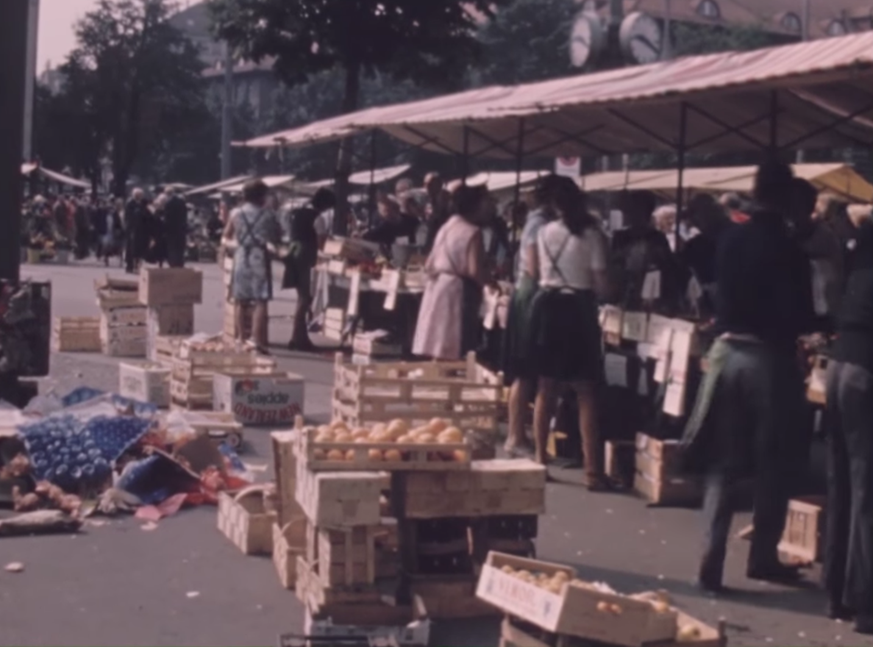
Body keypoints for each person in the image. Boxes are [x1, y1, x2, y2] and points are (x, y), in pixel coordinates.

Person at [681, 160, 816, 593]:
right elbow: (799, 314)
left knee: (723, 460)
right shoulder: (789, 249)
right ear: (786, 197)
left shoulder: (731, 239)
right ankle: (761, 557)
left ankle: (710, 554)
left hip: (724, 353)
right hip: (767, 358)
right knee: (773, 460)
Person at [528, 179, 610, 491]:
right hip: (578, 309)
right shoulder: (592, 234)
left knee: (546, 387)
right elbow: (601, 282)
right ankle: (592, 470)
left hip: (548, 309)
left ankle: (539, 459)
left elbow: (535, 274)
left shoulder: (543, 232)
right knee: (586, 390)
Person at [823, 220, 873, 635]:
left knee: (841, 481)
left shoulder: (863, 247)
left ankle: (835, 590)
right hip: (866, 370)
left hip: (840, 365)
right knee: (866, 487)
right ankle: (866, 603)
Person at [502, 175, 562, 456]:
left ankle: (517, 436)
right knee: (527, 371)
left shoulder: (537, 221)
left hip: (529, 292)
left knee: (526, 372)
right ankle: (516, 435)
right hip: (532, 295)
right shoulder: (539, 224)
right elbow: (536, 266)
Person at [413, 184, 489, 360]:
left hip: (438, 286)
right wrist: (489, 283)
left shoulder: (447, 226)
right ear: (475, 206)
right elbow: (474, 270)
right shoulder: (472, 231)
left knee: (439, 344)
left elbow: (430, 260)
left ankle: (437, 380)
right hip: (457, 291)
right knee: (455, 346)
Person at [223, 180, 281, 353]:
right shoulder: (268, 215)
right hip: (259, 258)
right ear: (261, 196)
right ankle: (256, 340)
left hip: (241, 256)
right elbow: (276, 237)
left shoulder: (235, 213)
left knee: (240, 300)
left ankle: (240, 339)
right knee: (260, 300)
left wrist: (235, 244)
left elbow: (226, 236)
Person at [611, 191, 684, 313]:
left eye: (634, 209)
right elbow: (613, 267)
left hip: (652, 299)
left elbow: (667, 269)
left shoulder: (657, 238)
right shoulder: (620, 237)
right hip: (623, 297)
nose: (628, 213)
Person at [283, 188, 336, 351]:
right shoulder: (317, 218)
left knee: (302, 297)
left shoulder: (298, 213)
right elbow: (321, 243)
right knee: (305, 298)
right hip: (305, 256)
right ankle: (297, 338)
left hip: (293, 253)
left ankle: (299, 337)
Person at [424, 172, 452, 251]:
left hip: (444, 238)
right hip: (430, 238)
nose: (427, 187)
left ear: (439, 183)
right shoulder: (428, 199)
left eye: (431, 184)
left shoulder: (445, 197)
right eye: (426, 184)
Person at [124, 189, 148, 273]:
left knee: (138, 248)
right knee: (131, 248)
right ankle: (129, 265)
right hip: (132, 229)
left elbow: (145, 214)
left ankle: (137, 265)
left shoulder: (142, 204)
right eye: (139, 195)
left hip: (140, 229)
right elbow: (128, 216)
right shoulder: (130, 203)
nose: (141, 197)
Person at [164, 188, 188, 268]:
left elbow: (167, 218)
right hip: (181, 229)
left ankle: (173, 263)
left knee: (172, 247)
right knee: (180, 247)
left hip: (171, 229)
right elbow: (185, 215)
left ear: (167, 194)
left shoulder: (168, 203)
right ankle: (180, 263)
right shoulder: (181, 202)